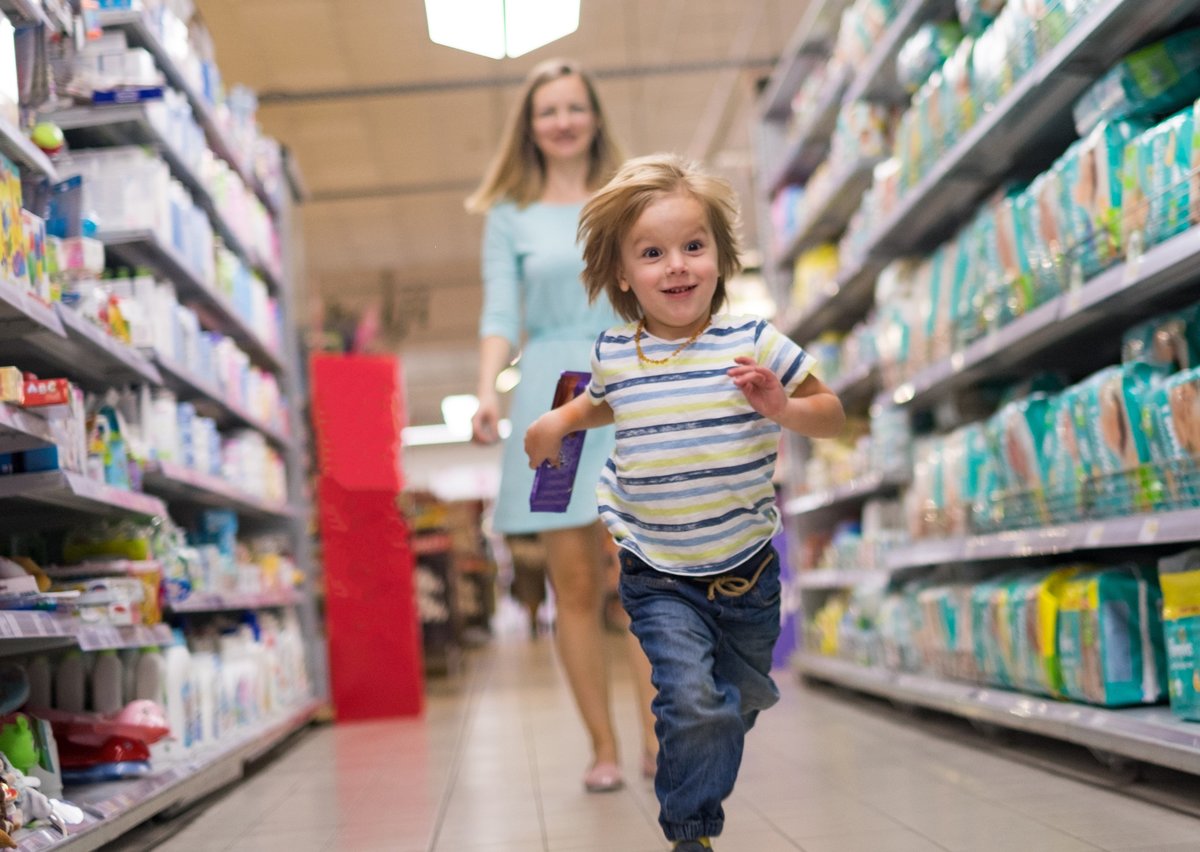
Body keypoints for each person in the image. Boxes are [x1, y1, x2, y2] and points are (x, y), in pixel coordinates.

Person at [524, 153, 845, 851]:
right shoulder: (616, 352)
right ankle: (690, 833)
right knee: (691, 703)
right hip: (658, 571)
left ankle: (716, 728)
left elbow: (832, 412)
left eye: (693, 246)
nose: (676, 266)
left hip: (747, 573)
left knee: (736, 702)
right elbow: (599, 403)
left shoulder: (754, 342)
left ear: (720, 257)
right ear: (621, 273)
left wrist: (784, 408)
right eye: (652, 253)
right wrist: (556, 422)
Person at [467, 58, 657, 793]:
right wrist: (487, 392)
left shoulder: (629, 197)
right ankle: (602, 748)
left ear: (595, 116)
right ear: (530, 125)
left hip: (632, 385)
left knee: (644, 575)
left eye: (575, 107)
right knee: (572, 584)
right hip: (554, 398)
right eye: (548, 110)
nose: (563, 121)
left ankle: (658, 738)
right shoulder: (508, 215)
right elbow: (498, 312)